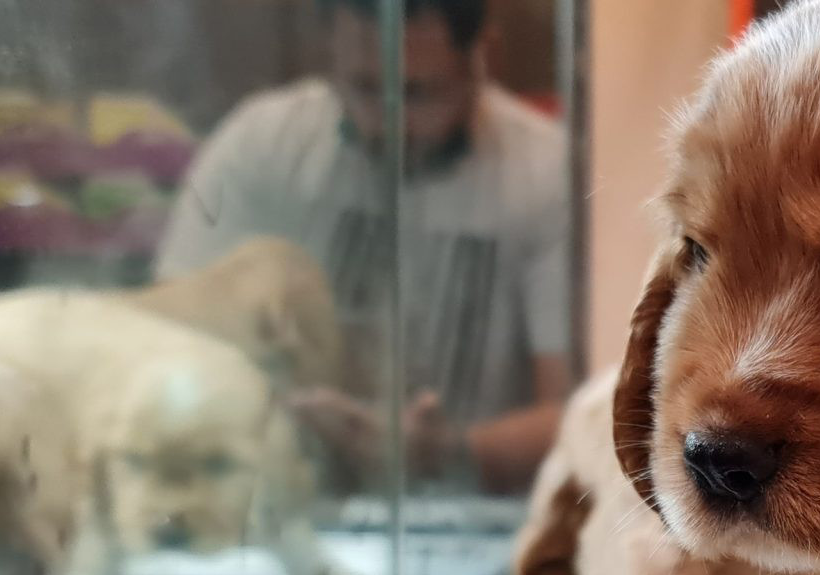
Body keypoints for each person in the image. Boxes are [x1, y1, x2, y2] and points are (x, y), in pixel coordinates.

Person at [154, 0, 572, 493]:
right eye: (365, 88)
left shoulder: (547, 173)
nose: (388, 124)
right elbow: (167, 344)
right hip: (280, 499)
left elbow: (579, 413)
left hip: (476, 513)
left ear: (485, 58)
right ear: (329, 47)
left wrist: (449, 452)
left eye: (417, 93)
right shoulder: (262, 146)